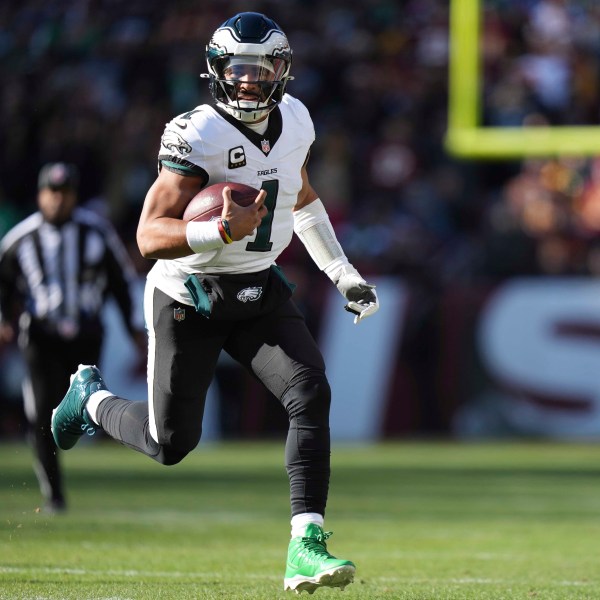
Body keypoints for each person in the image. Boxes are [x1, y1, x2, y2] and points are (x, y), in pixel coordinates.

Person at [51, 12, 378, 594]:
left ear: (284, 72)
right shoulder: (197, 132)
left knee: (309, 390)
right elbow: (149, 235)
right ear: (217, 71)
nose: (249, 81)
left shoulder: (296, 119)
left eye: (262, 68)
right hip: (191, 294)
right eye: (237, 68)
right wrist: (216, 233)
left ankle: (306, 544)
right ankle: (91, 398)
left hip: (256, 284)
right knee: (170, 444)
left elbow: (301, 198)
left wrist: (341, 272)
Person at [0, 162, 146, 513]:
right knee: (40, 411)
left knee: (88, 404)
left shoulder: (95, 232)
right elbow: (3, 285)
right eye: (52, 192)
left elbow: (120, 281)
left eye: (64, 193)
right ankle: (54, 493)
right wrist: (5, 320)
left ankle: (105, 452)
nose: (58, 200)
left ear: (74, 195)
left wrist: (133, 326)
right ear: (40, 194)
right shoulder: (21, 238)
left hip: (86, 333)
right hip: (41, 335)